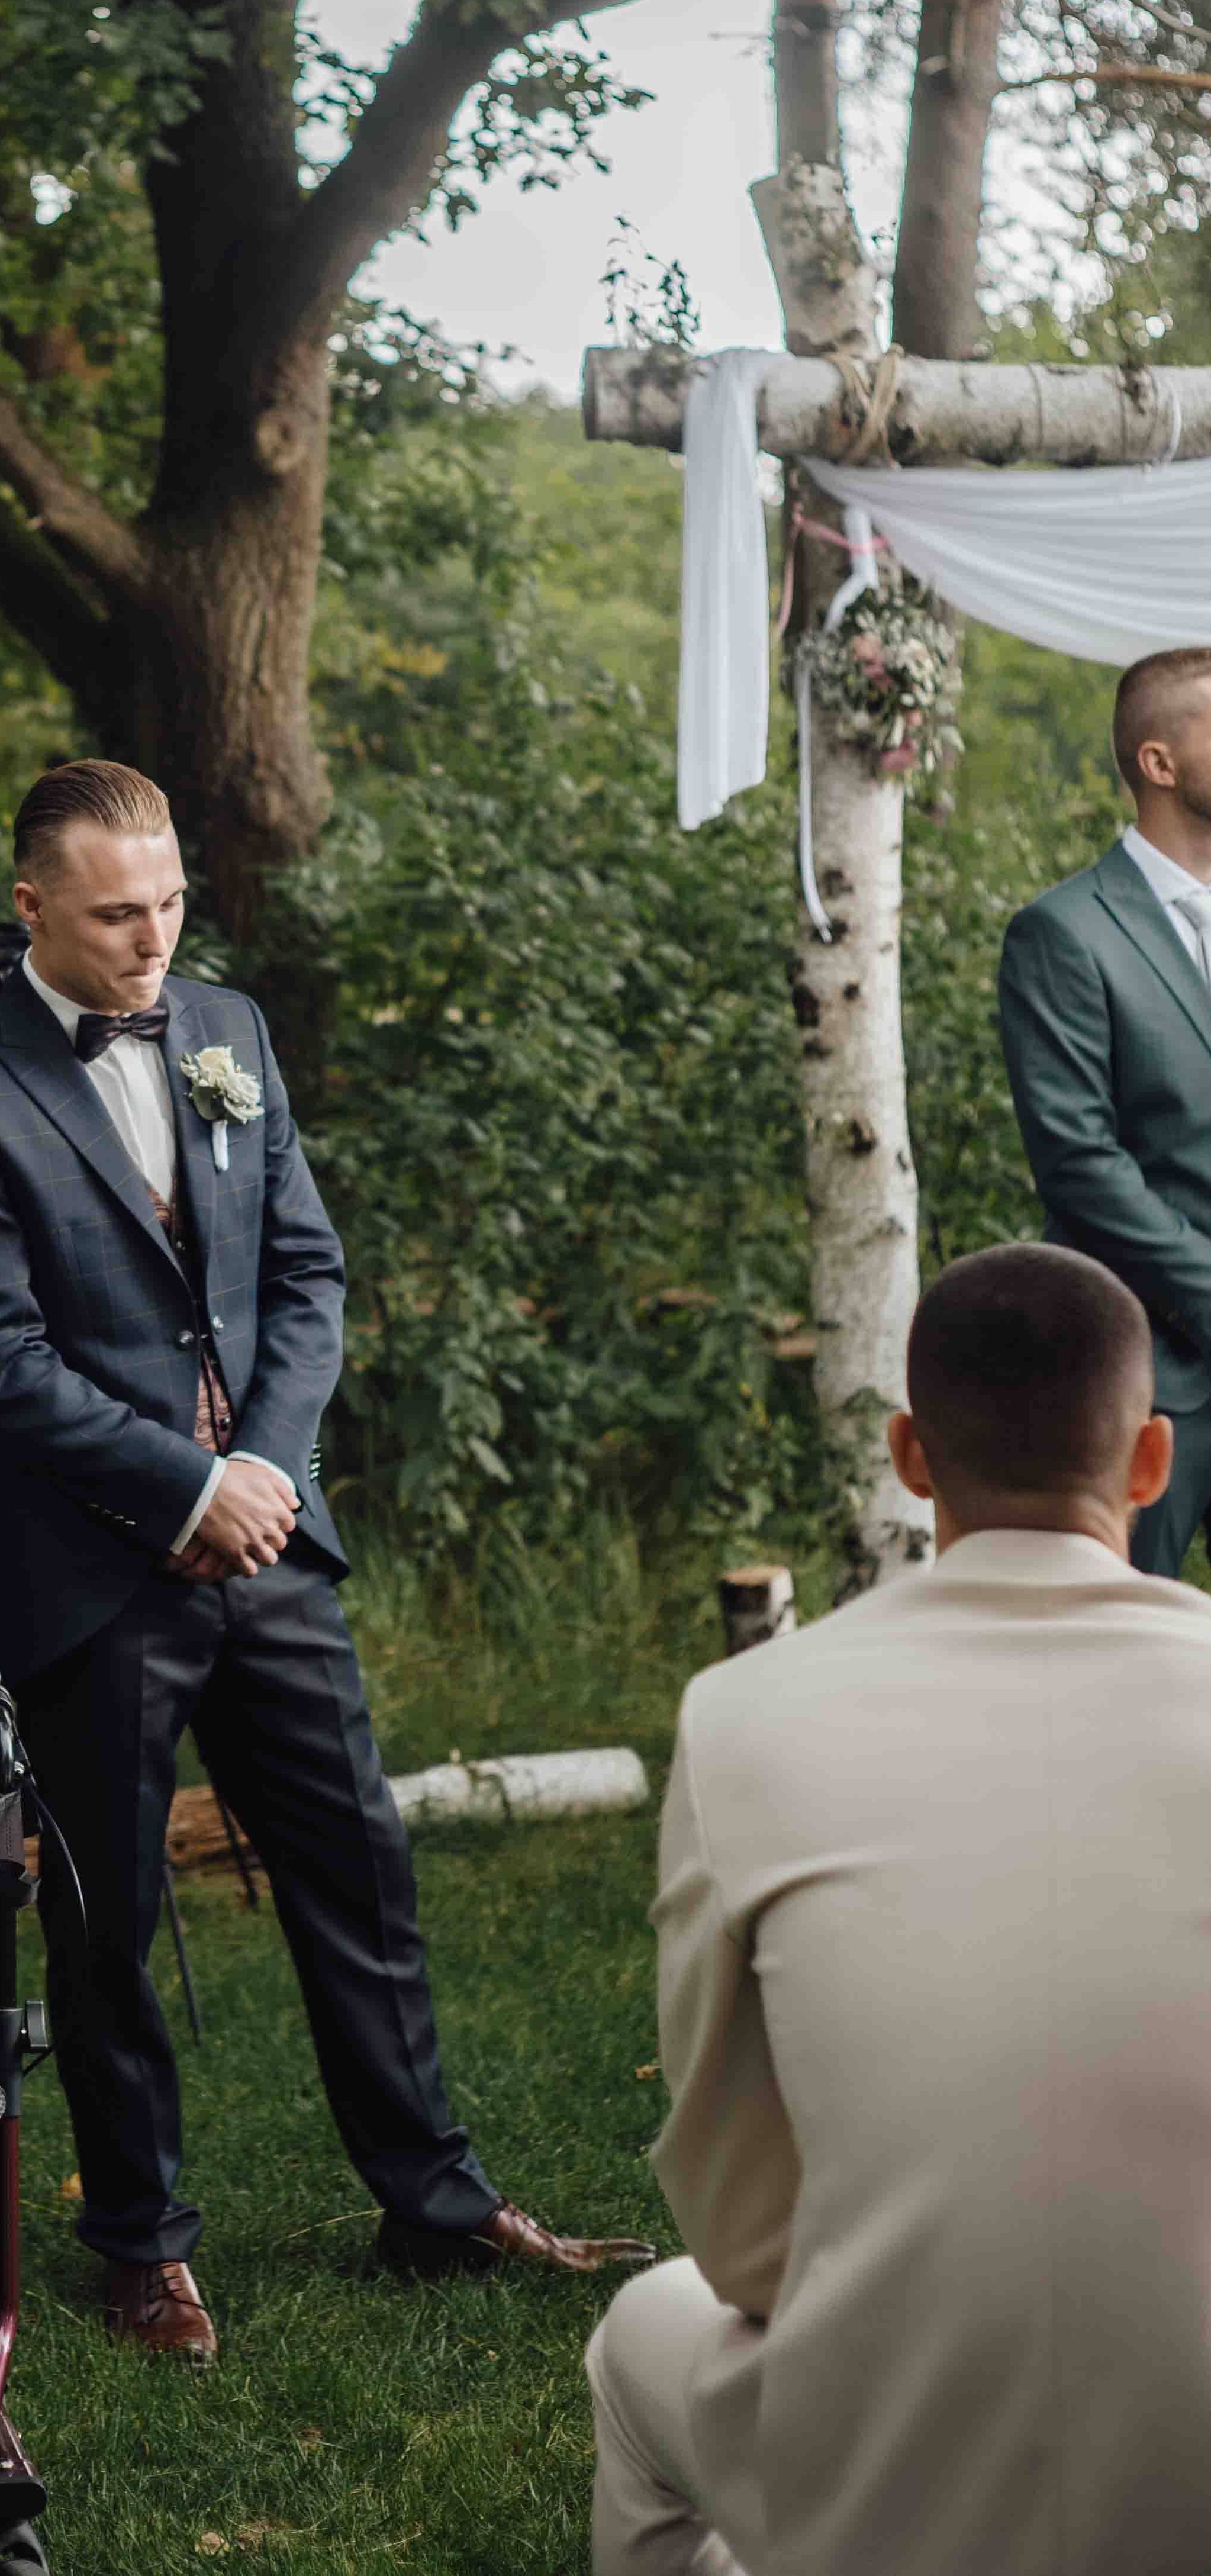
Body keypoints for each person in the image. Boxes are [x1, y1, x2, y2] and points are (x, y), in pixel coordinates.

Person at [0, 758, 649, 2365]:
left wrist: (261, 1473)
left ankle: (435, 2199)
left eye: (167, 904)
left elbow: (306, 1272)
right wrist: (179, 1489)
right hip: (99, 1573)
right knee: (104, 1925)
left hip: (274, 1545)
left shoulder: (227, 1032)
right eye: (114, 914)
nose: (151, 938)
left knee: (359, 1876)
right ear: (30, 906)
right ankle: (142, 2244)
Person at [585, 1242, 1211, 2576]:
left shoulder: (748, 1712)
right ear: (1150, 1459)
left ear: (912, 1453)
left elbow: (742, 2236)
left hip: (899, 2489)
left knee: (642, 2335)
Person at [999, 644, 1211, 1575]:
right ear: (1158, 764)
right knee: (1121, 1655)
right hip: (1141, 1371)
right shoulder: (1065, 932)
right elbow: (1079, 1162)